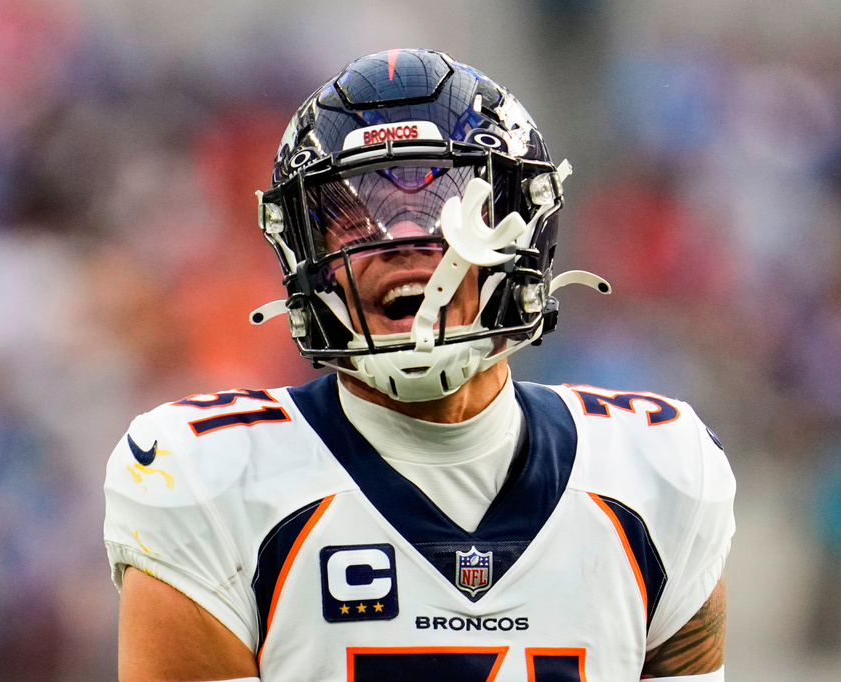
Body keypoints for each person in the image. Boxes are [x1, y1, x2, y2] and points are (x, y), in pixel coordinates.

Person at [103, 48, 735, 681]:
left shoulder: (658, 471)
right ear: (305, 256)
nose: (400, 239)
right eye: (351, 217)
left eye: (446, 209)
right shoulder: (208, 475)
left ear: (523, 234)